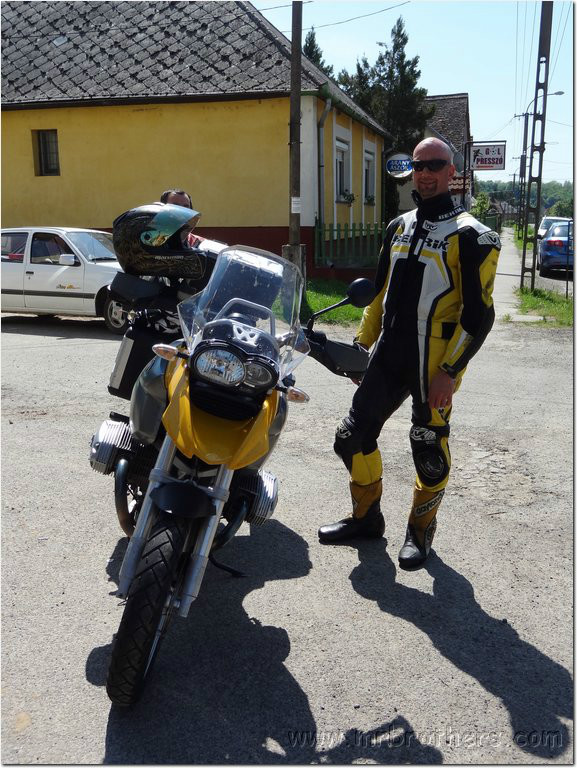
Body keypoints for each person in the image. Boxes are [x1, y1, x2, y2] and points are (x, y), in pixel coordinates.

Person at [318, 137, 501, 570]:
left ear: (452, 172)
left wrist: (449, 371)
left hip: (434, 360)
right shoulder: (397, 226)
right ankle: (367, 518)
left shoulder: (474, 236)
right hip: (389, 352)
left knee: (429, 449)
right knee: (351, 438)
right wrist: (361, 346)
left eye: (435, 165)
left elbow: (479, 317)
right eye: (419, 166)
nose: (425, 173)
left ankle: (420, 532)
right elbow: (378, 295)